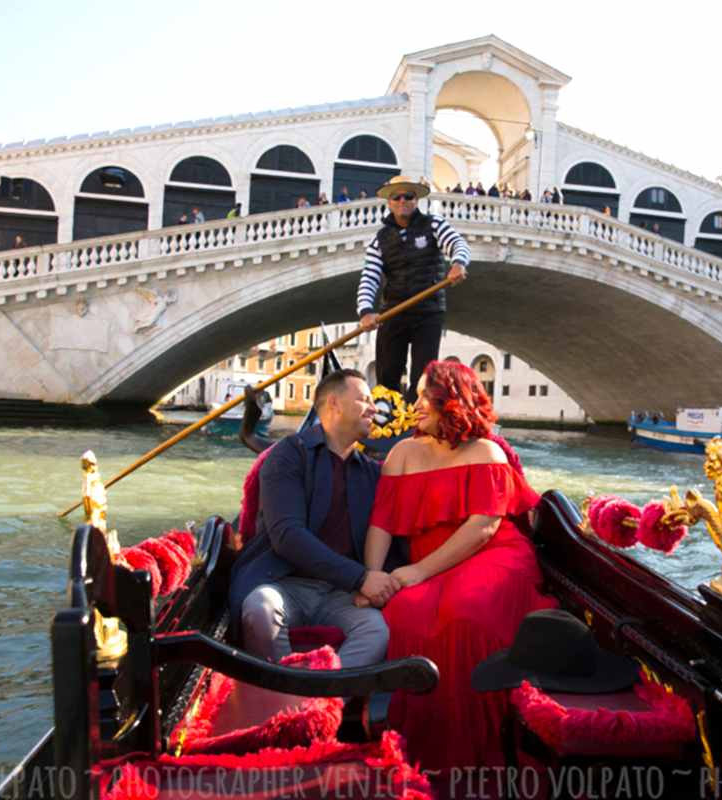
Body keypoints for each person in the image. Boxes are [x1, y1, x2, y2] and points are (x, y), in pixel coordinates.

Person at [361, 360, 556, 772]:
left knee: (468, 612)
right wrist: (370, 577)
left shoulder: (487, 451)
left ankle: (484, 748)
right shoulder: (403, 453)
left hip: (494, 557)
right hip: (435, 564)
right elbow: (381, 522)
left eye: (422, 396)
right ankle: (419, 748)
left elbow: (483, 529)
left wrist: (416, 572)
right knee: (403, 611)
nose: (414, 405)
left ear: (450, 401)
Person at [228, 369, 403, 668]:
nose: (375, 408)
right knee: (261, 609)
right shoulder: (287, 456)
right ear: (333, 403)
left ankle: (318, 704)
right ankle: (290, 702)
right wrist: (361, 578)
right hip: (284, 582)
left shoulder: (373, 473)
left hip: (341, 594)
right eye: (364, 399)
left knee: (376, 631)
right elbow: (287, 536)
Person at [356, 176, 469, 399]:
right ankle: (387, 422)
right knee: (387, 376)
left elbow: (458, 243)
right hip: (394, 311)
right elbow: (369, 277)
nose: (402, 201)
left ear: (415, 200)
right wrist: (366, 311)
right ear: (389, 202)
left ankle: (414, 420)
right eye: (396, 197)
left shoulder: (434, 224)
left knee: (422, 379)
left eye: (408, 196)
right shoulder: (379, 240)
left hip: (428, 311)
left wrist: (458, 262)